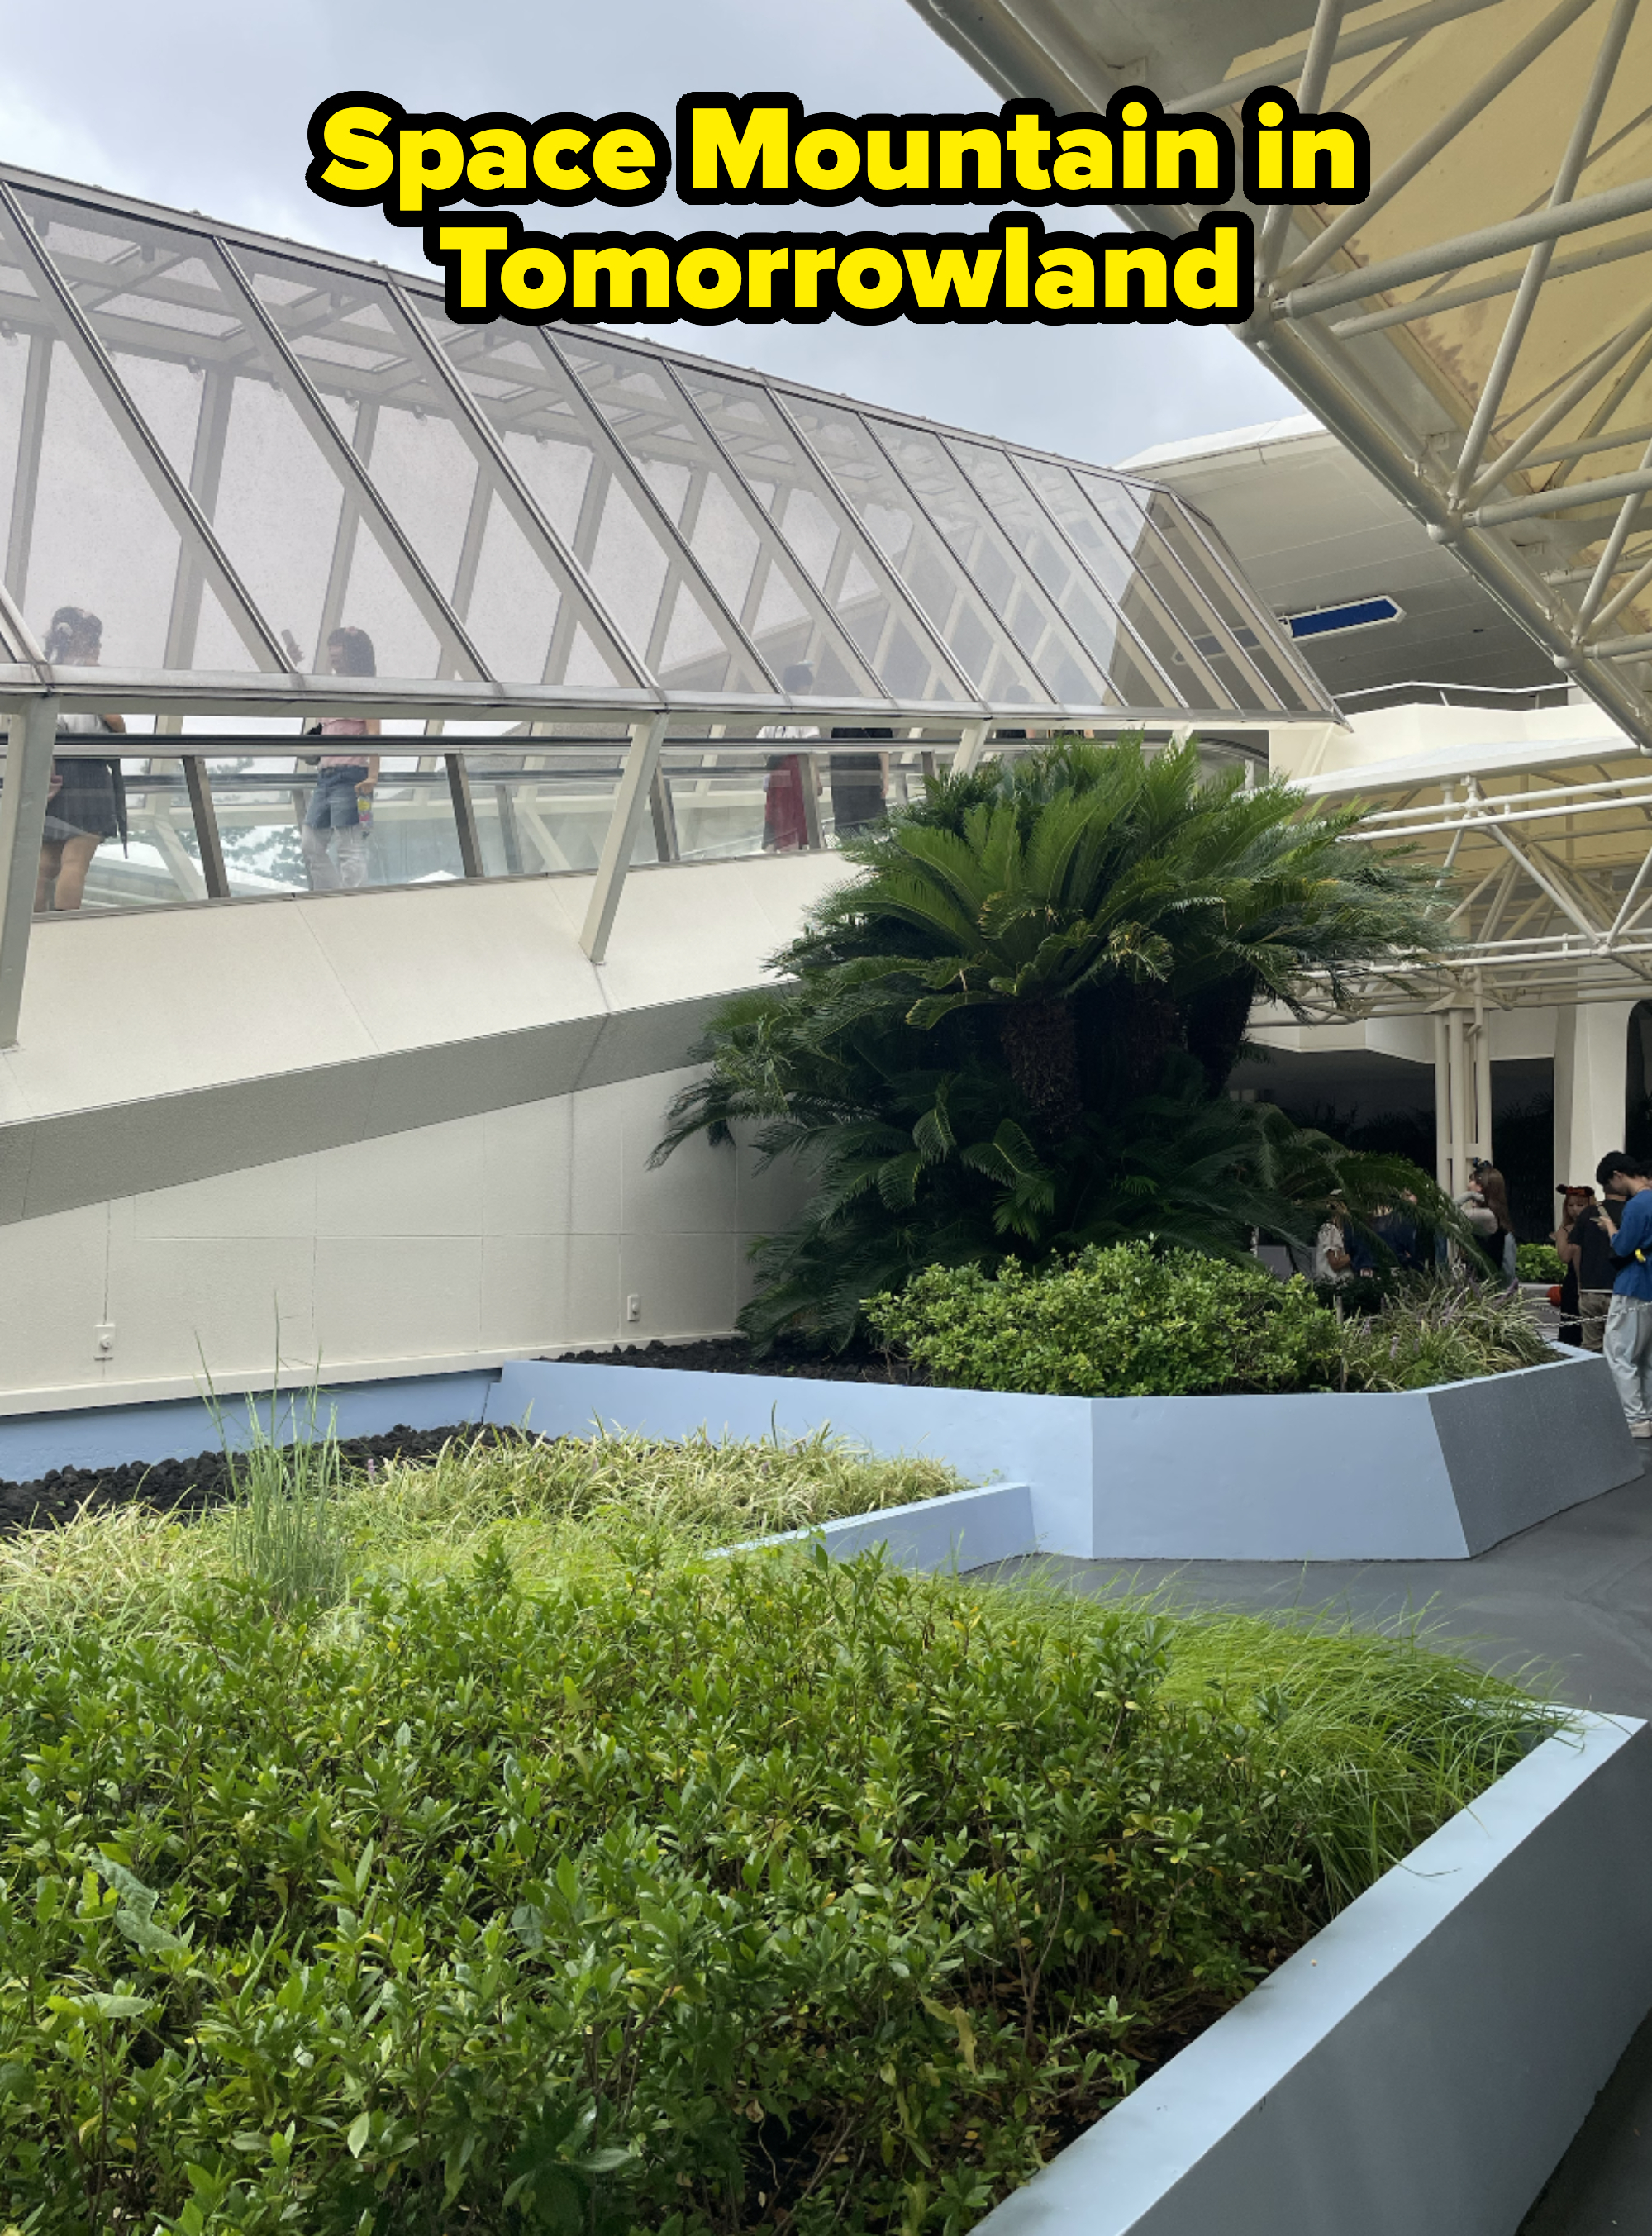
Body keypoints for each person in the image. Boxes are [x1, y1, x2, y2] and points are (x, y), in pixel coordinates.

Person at [36, 607, 126, 912]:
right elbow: (113, 719)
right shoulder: (91, 675)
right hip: (89, 774)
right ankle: (65, 929)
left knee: (44, 865)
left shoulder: (49, 671)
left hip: (57, 772)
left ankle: (30, 928)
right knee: (76, 863)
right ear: (86, 642)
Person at [301, 626, 380, 892]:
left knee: (350, 847)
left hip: (351, 776)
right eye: (332, 647)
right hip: (325, 777)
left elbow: (374, 735)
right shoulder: (328, 690)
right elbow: (322, 729)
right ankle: (331, 896)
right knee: (311, 845)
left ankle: (352, 900)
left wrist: (372, 776)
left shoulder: (364, 690)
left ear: (353, 654)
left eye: (339, 647)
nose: (333, 654)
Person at [1595, 1150, 1652, 1438]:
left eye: (1608, 1185)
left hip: (1635, 1283)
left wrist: (1610, 1229)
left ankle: (1635, 1419)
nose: (1610, 1192)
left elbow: (1623, 1246)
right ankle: (1648, 1414)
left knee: (1620, 1352)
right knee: (1648, 1356)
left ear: (1618, 1175)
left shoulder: (1638, 1203)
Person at [759, 663, 819, 854]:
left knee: (776, 817)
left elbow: (760, 742)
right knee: (794, 817)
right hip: (796, 773)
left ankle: (772, 852)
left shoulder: (777, 708)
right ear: (802, 686)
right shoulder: (802, 710)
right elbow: (811, 748)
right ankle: (792, 852)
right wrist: (816, 778)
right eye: (807, 686)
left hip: (776, 773)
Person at [1557, 1183, 1615, 1353]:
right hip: (1574, 1284)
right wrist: (1574, 1239)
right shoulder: (1564, 1230)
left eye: (1580, 1205)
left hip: (1594, 1279)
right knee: (1574, 1334)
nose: (1575, 1210)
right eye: (1570, 1205)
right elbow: (1564, 1257)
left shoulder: (1600, 1225)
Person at [827, 725, 892, 838]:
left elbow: (883, 748)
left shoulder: (873, 721)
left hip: (866, 778)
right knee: (850, 822)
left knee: (870, 821)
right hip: (845, 779)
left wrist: (886, 778)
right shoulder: (841, 725)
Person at [1312, 1206, 1353, 1287]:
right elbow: (1335, 1263)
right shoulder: (1329, 1229)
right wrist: (1357, 1255)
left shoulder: (1343, 1230)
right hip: (1333, 1284)